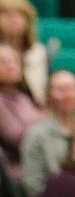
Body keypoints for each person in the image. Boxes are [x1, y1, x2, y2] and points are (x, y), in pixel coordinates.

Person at [21, 70, 75, 197]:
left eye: (71, 89)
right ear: (48, 95)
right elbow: (32, 184)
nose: (68, 95)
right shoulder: (36, 135)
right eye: (61, 90)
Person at [0, 45, 42, 185]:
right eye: (3, 62)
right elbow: (15, 136)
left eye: (14, 61)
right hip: (11, 174)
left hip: (35, 168)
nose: (11, 66)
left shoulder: (25, 98)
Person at [0, 0, 48, 104]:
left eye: (20, 14)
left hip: (33, 109)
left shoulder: (38, 52)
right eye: (6, 13)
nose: (14, 19)